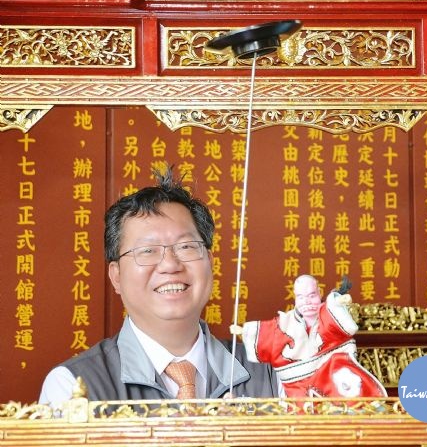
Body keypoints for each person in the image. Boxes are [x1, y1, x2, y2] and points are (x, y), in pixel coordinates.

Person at [39, 167, 278, 408]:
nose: (170, 265)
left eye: (186, 247)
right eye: (148, 251)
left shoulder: (271, 374)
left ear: (210, 262)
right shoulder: (73, 387)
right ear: (116, 276)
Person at [235, 274, 387, 398]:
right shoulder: (286, 322)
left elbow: (346, 326)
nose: (306, 302)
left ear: (319, 293)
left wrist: (337, 302)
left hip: (331, 374)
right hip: (300, 382)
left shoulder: (328, 313)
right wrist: (244, 331)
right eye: (301, 297)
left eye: (312, 295)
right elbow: (269, 333)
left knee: (346, 383)